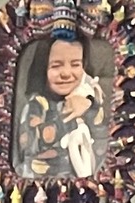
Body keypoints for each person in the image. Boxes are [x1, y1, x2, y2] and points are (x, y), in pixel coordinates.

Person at [14, 34, 104, 180]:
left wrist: (89, 102)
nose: (66, 73)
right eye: (56, 66)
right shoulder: (37, 104)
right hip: (42, 182)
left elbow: (101, 131)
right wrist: (70, 118)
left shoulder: (86, 99)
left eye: (75, 65)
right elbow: (30, 141)